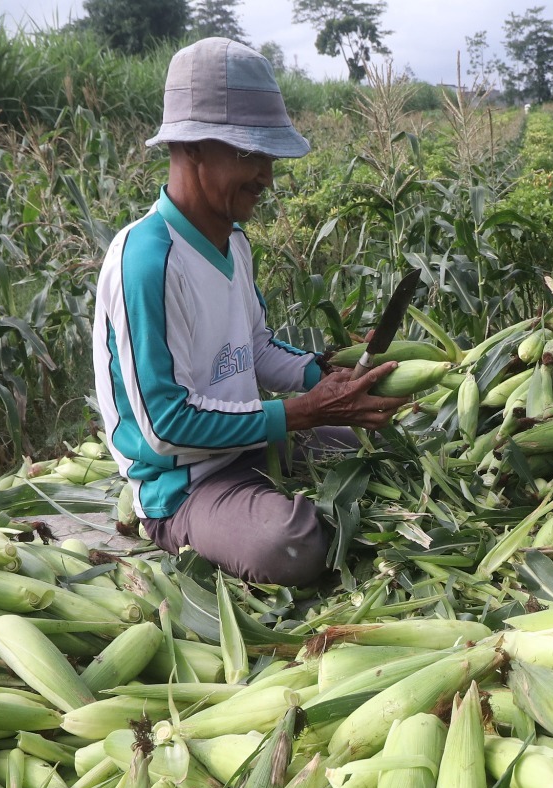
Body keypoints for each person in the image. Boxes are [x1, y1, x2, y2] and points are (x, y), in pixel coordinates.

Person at [91, 37, 407, 586]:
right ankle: (191, 526)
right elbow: (167, 426)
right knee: (290, 545)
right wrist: (304, 412)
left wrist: (330, 378)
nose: (267, 176)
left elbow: (255, 346)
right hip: (188, 483)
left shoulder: (232, 240)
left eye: (267, 156)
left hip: (253, 443)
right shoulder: (148, 261)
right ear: (192, 148)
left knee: (394, 437)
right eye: (248, 154)